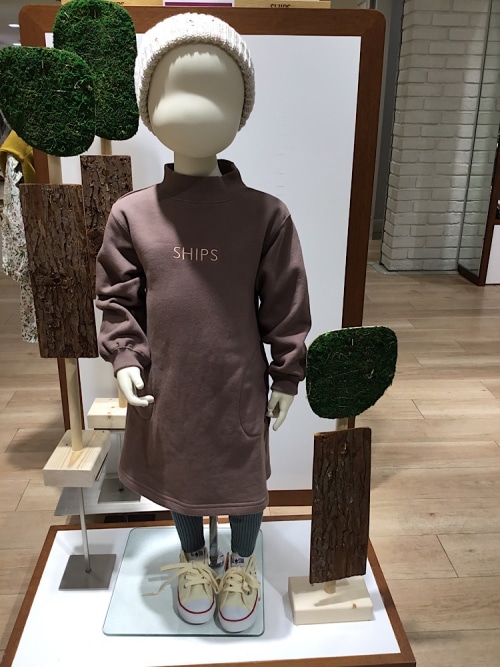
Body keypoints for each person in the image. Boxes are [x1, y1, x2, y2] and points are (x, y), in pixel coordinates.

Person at [96, 13, 311, 633]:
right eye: (177, 89)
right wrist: (125, 357)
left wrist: (287, 375)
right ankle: (194, 560)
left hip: (238, 382)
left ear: (242, 108)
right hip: (169, 383)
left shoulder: (265, 215)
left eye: (217, 91)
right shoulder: (132, 215)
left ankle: (240, 563)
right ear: (148, 105)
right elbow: (116, 296)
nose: (196, 107)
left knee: (242, 477)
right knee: (179, 472)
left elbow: (286, 300)